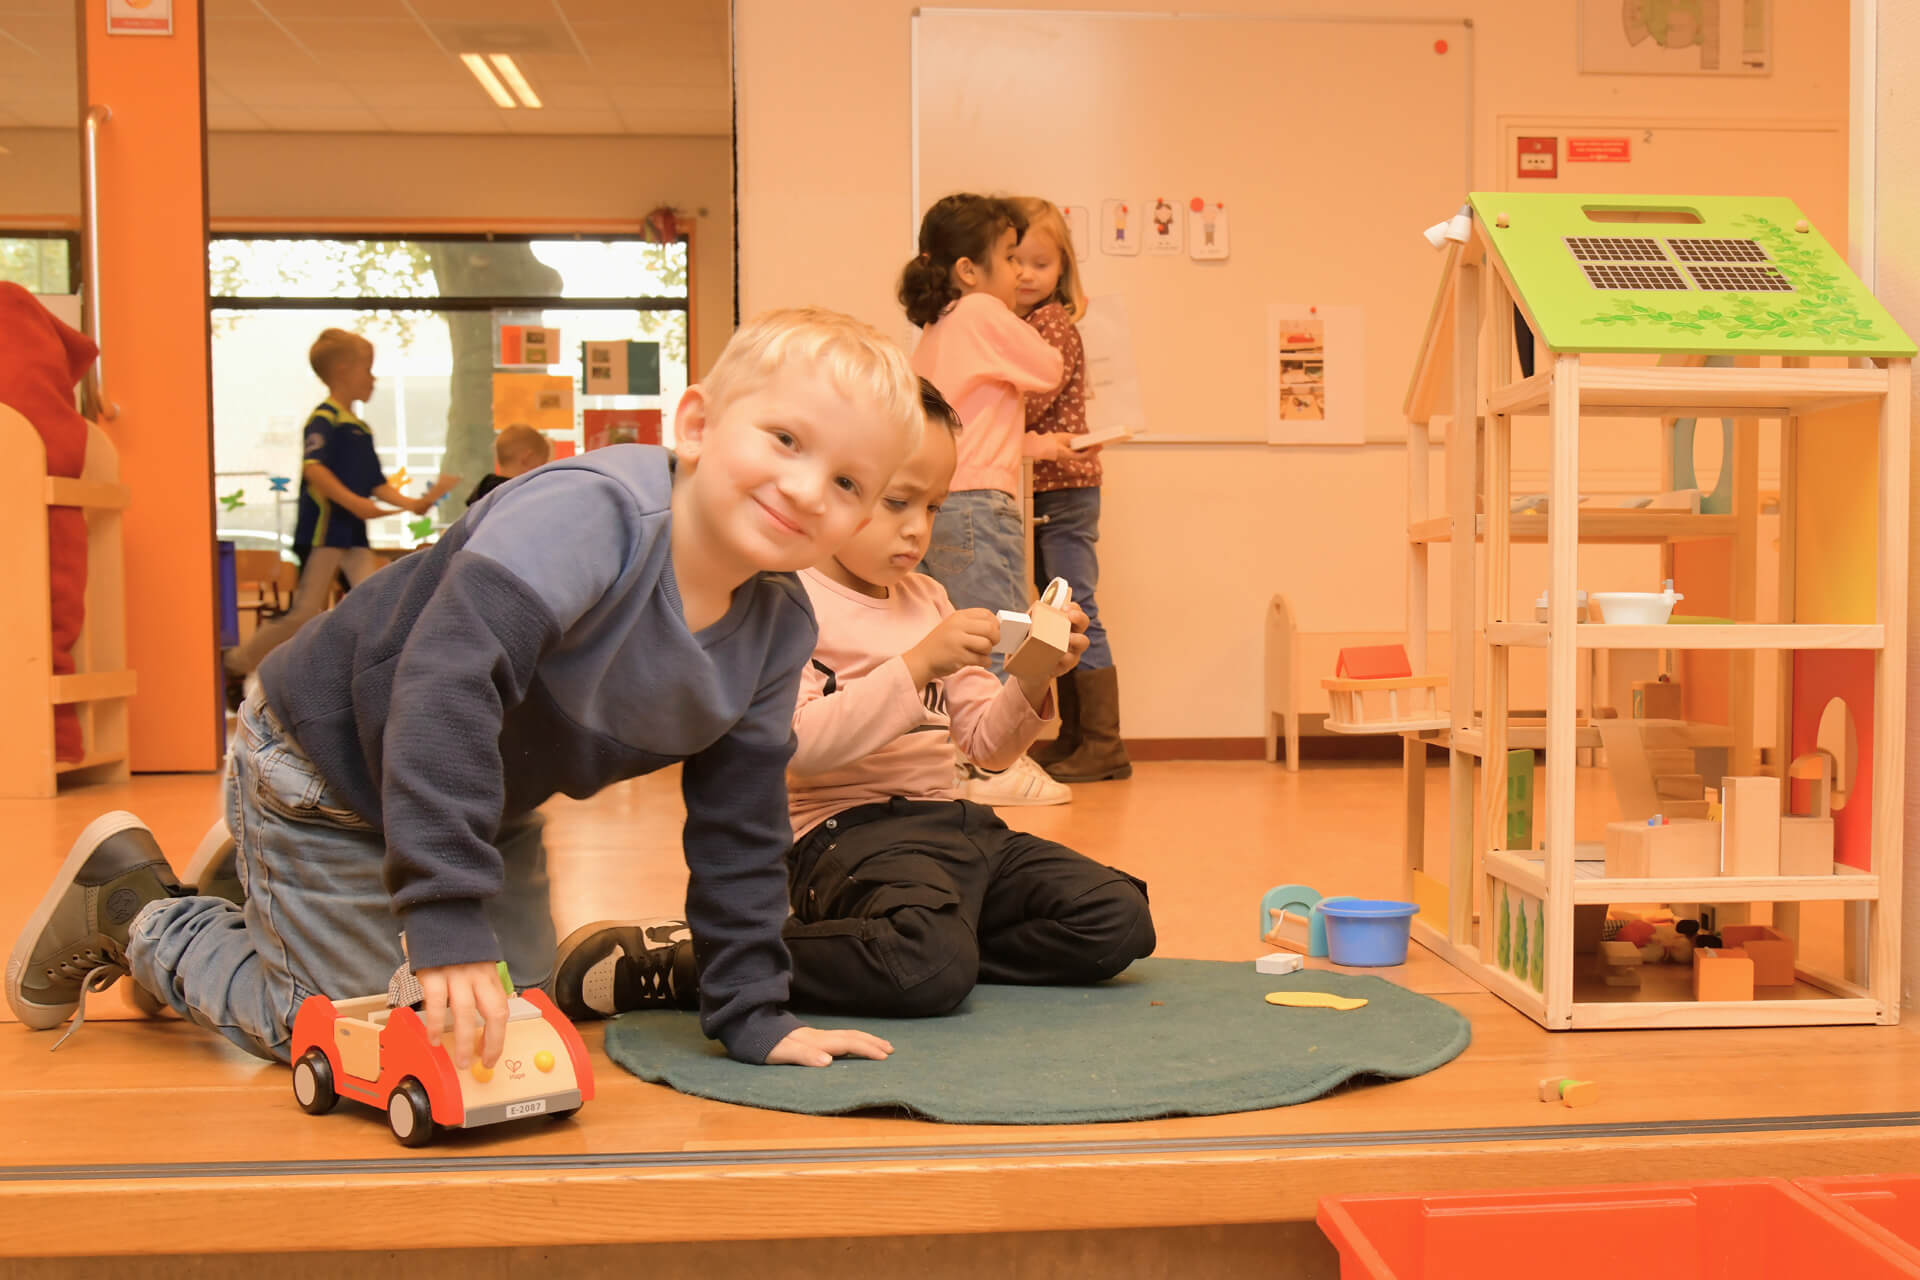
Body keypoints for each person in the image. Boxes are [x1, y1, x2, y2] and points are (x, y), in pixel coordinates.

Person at [6, 307, 923, 1073]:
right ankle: (134, 910)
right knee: (352, 1037)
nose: (807, 490)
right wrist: (442, 922)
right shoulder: (589, 515)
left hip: (479, 804)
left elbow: (742, 827)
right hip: (323, 766)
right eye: (786, 441)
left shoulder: (779, 629)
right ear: (694, 426)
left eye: (848, 482)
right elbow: (443, 686)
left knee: (503, 1037)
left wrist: (755, 1012)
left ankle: (266, 893)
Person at [550, 382, 1154, 1024]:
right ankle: (699, 962)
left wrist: (1034, 675)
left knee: (1117, 919)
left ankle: (918, 950)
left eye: (933, 506)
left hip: (958, 827)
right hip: (843, 835)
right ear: (843, 485)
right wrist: (918, 663)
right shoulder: (785, 602)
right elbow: (800, 751)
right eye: (896, 502)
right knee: (928, 964)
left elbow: (989, 749)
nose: (917, 529)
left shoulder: (931, 600)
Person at [901, 193, 1074, 807]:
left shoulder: (941, 326)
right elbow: (1050, 366)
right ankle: (994, 767)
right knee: (998, 629)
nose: (1021, 274)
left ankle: (969, 761)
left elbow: (969, 425)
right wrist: (1046, 311)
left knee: (965, 629)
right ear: (970, 271)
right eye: (1010, 258)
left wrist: (1036, 442)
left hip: (952, 501)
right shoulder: (979, 310)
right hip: (978, 505)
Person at [220, 329, 457, 692]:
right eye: (368, 369)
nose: (373, 379)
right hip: (324, 534)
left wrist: (414, 505)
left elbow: (376, 485)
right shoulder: (323, 419)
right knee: (304, 612)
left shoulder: (359, 428)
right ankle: (234, 663)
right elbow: (315, 470)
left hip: (353, 536)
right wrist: (354, 503)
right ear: (345, 370)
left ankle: (378, 680)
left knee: (377, 603)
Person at [1008, 197, 1130, 783]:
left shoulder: (1049, 323)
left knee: (1077, 606)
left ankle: (1104, 744)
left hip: (1065, 488)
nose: (1028, 275)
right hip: (1051, 488)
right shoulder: (1028, 324)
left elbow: (1033, 398)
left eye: (1041, 263)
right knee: (1058, 611)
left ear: (1063, 270)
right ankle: (1078, 736)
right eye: (1017, 262)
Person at [468, 422, 552, 507]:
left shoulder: (480, 497)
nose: (543, 472)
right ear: (527, 459)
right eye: (543, 464)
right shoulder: (522, 500)